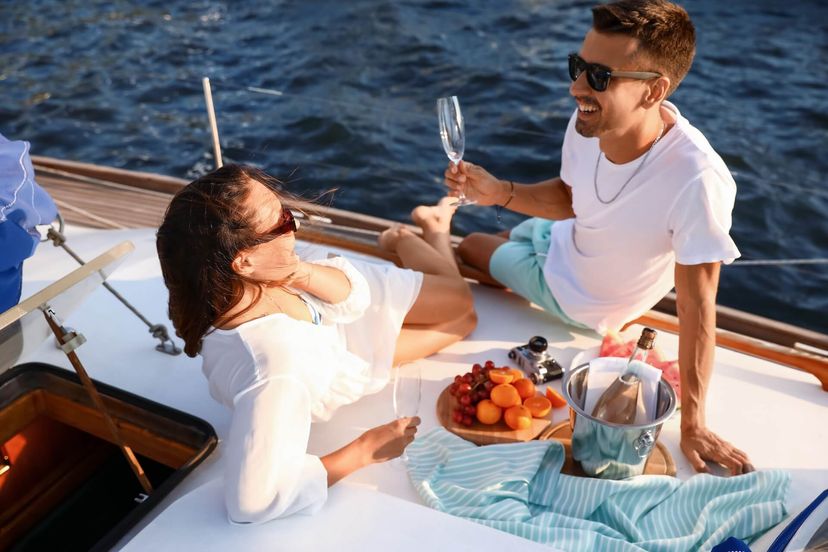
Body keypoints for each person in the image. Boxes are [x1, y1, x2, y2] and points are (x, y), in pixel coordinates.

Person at [444, 0, 753, 475]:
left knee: (469, 246)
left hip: (583, 298)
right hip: (568, 234)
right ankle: (460, 229)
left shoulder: (697, 180)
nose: (575, 87)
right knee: (500, 229)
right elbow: (572, 197)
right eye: (578, 66)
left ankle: (427, 228)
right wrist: (499, 191)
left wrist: (694, 423)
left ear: (654, 91)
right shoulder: (591, 121)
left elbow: (697, 307)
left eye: (599, 77)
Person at [156, 164, 475, 523]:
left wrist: (297, 272)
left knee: (460, 303)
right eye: (283, 223)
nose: (295, 226)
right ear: (243, 261)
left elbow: (350, 301)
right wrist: (365, 450)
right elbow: (251, 503)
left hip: (332, 313)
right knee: (463, 318)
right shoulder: (275, 367)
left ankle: (411, 236)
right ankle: (422, 231)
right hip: (343, 358)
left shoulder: (233, 287)